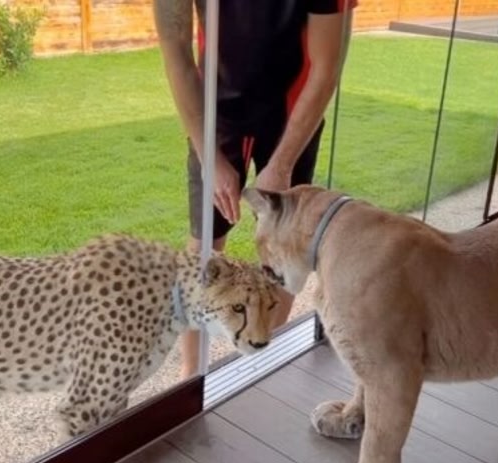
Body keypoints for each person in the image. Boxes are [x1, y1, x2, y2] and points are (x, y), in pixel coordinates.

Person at [153, 0, 356, 378]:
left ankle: (260, 351)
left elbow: (327, 67)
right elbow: (175, 50)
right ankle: (191, 376)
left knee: (287, 246)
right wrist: (210, 157)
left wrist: (282, 165)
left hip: (293, 115)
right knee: (203, 246)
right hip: (215, 114)